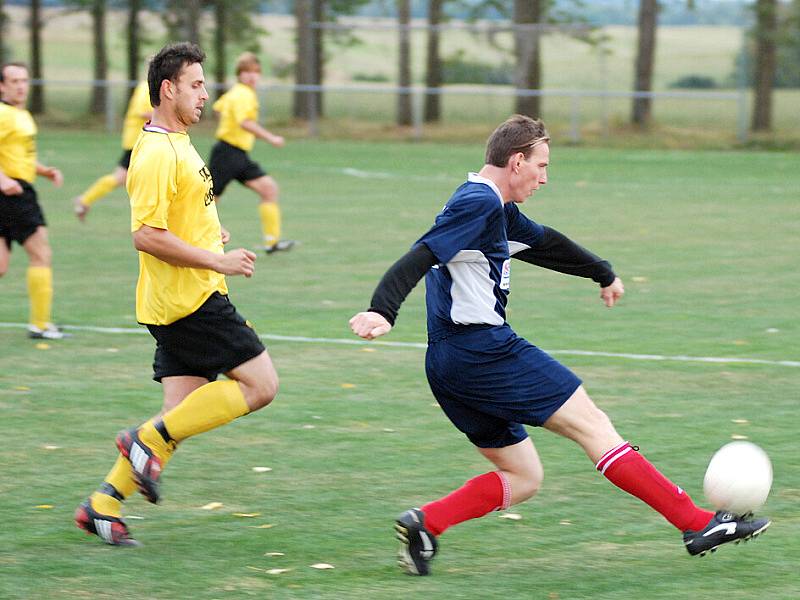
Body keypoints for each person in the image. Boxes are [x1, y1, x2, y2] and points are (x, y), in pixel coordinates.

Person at [349, 114, 770, 575]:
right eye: (541, 166)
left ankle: (426, 523)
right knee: (593, 425)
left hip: (449, 363)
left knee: (524, 477)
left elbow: (546, 244)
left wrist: (601, 271)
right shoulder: (477, 203)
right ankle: (696, 523)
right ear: (516, 161)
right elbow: (423, 252)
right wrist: (382, 310)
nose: (545, 178)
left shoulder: (496, 208)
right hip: (483, 351)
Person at [75, 42, 279, 546]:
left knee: (179, 418)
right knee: (260, 385)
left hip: (179, 296)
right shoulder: (156, 153)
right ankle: (143, 440)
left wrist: (212, 234)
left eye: (205, 85)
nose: (206, 95)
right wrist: (217, 259)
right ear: (168, 89)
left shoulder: (177, 140)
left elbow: (179, 214)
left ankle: (101, 505)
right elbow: (146, 234)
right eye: (195, 85)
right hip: (191, 300)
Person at [0, 62, 67, 340]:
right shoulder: (3, 113)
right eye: (14, 81)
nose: (20, 85)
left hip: (16, 188)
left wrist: (43, 170)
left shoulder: (21, 114)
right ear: (2, 86)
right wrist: (2, 180)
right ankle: (40, 325)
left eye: (24, 80)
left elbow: (19, 156)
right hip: (13, 194)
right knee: (41, 254)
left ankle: (40, 324)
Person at [208, 51, 294, 254]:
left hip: (239, 154)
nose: (252, 76)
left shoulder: (235, 92)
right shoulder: (243, 94)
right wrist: (271, 138)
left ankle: (272, 242)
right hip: (227, 153)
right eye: (246, 72)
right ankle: (190, 236)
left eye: (255, 72)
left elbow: (218, 108)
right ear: (239, 74)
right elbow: (245, 122)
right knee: (208, 201)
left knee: (269, 189)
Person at [72, 77, 152, 221]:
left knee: (122, 178)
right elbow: (143, 111)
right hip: (137, 141)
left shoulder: (150, 86)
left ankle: (84, 200)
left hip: (141, 141)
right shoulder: (146, 87)